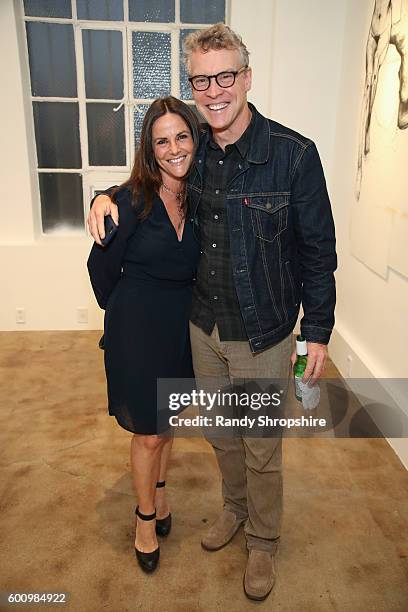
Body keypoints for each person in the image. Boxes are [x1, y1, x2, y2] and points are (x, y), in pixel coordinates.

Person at [88, 24, 337, 601]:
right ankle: (232, 510)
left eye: (226, 76)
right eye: (202, 80)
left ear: (246, 78)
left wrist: (316, 333)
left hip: (264, 331)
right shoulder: (194, 150)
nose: (215, 90)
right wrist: (100, 195)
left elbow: (317, 253)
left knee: (260, 444)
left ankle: (265, 541)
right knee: (221, 435)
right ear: (193, 85)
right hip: (201, 328)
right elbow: (147, 174)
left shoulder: (294, 155)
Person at [87, 96, 200, 574]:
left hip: (182, 327)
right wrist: (126, 314)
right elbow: (100, 269)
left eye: (181, 136)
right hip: (137, 329)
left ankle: (161, 493)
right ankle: (144, 520)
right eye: (162, 140)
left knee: (168, 421)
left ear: (195, 139)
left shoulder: (202, 197)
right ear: (149, 149)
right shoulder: (130, 200)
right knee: (148, 434)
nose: (174, 148)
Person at [356, 0, 408, 198]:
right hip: (377, 27)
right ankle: (366, 142)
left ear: (249, 78)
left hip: (385, 25)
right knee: (370, 81)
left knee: (373, 80)